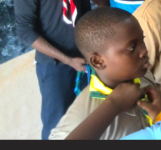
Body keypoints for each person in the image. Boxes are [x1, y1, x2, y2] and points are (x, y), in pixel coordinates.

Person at [12, 0, 91, 139]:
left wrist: (90, 50)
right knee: (56, 123)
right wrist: (67, 59)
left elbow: (85, 12)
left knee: (85, 118)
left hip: (84, 58)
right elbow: (25, 31)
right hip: (54, 66)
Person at [49, 8, 155, 140]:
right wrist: (113, 105)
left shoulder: (144, 76)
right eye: (131, 48)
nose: (144, 50)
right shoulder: (84, 115)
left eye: (142, 40)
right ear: (98, 61)